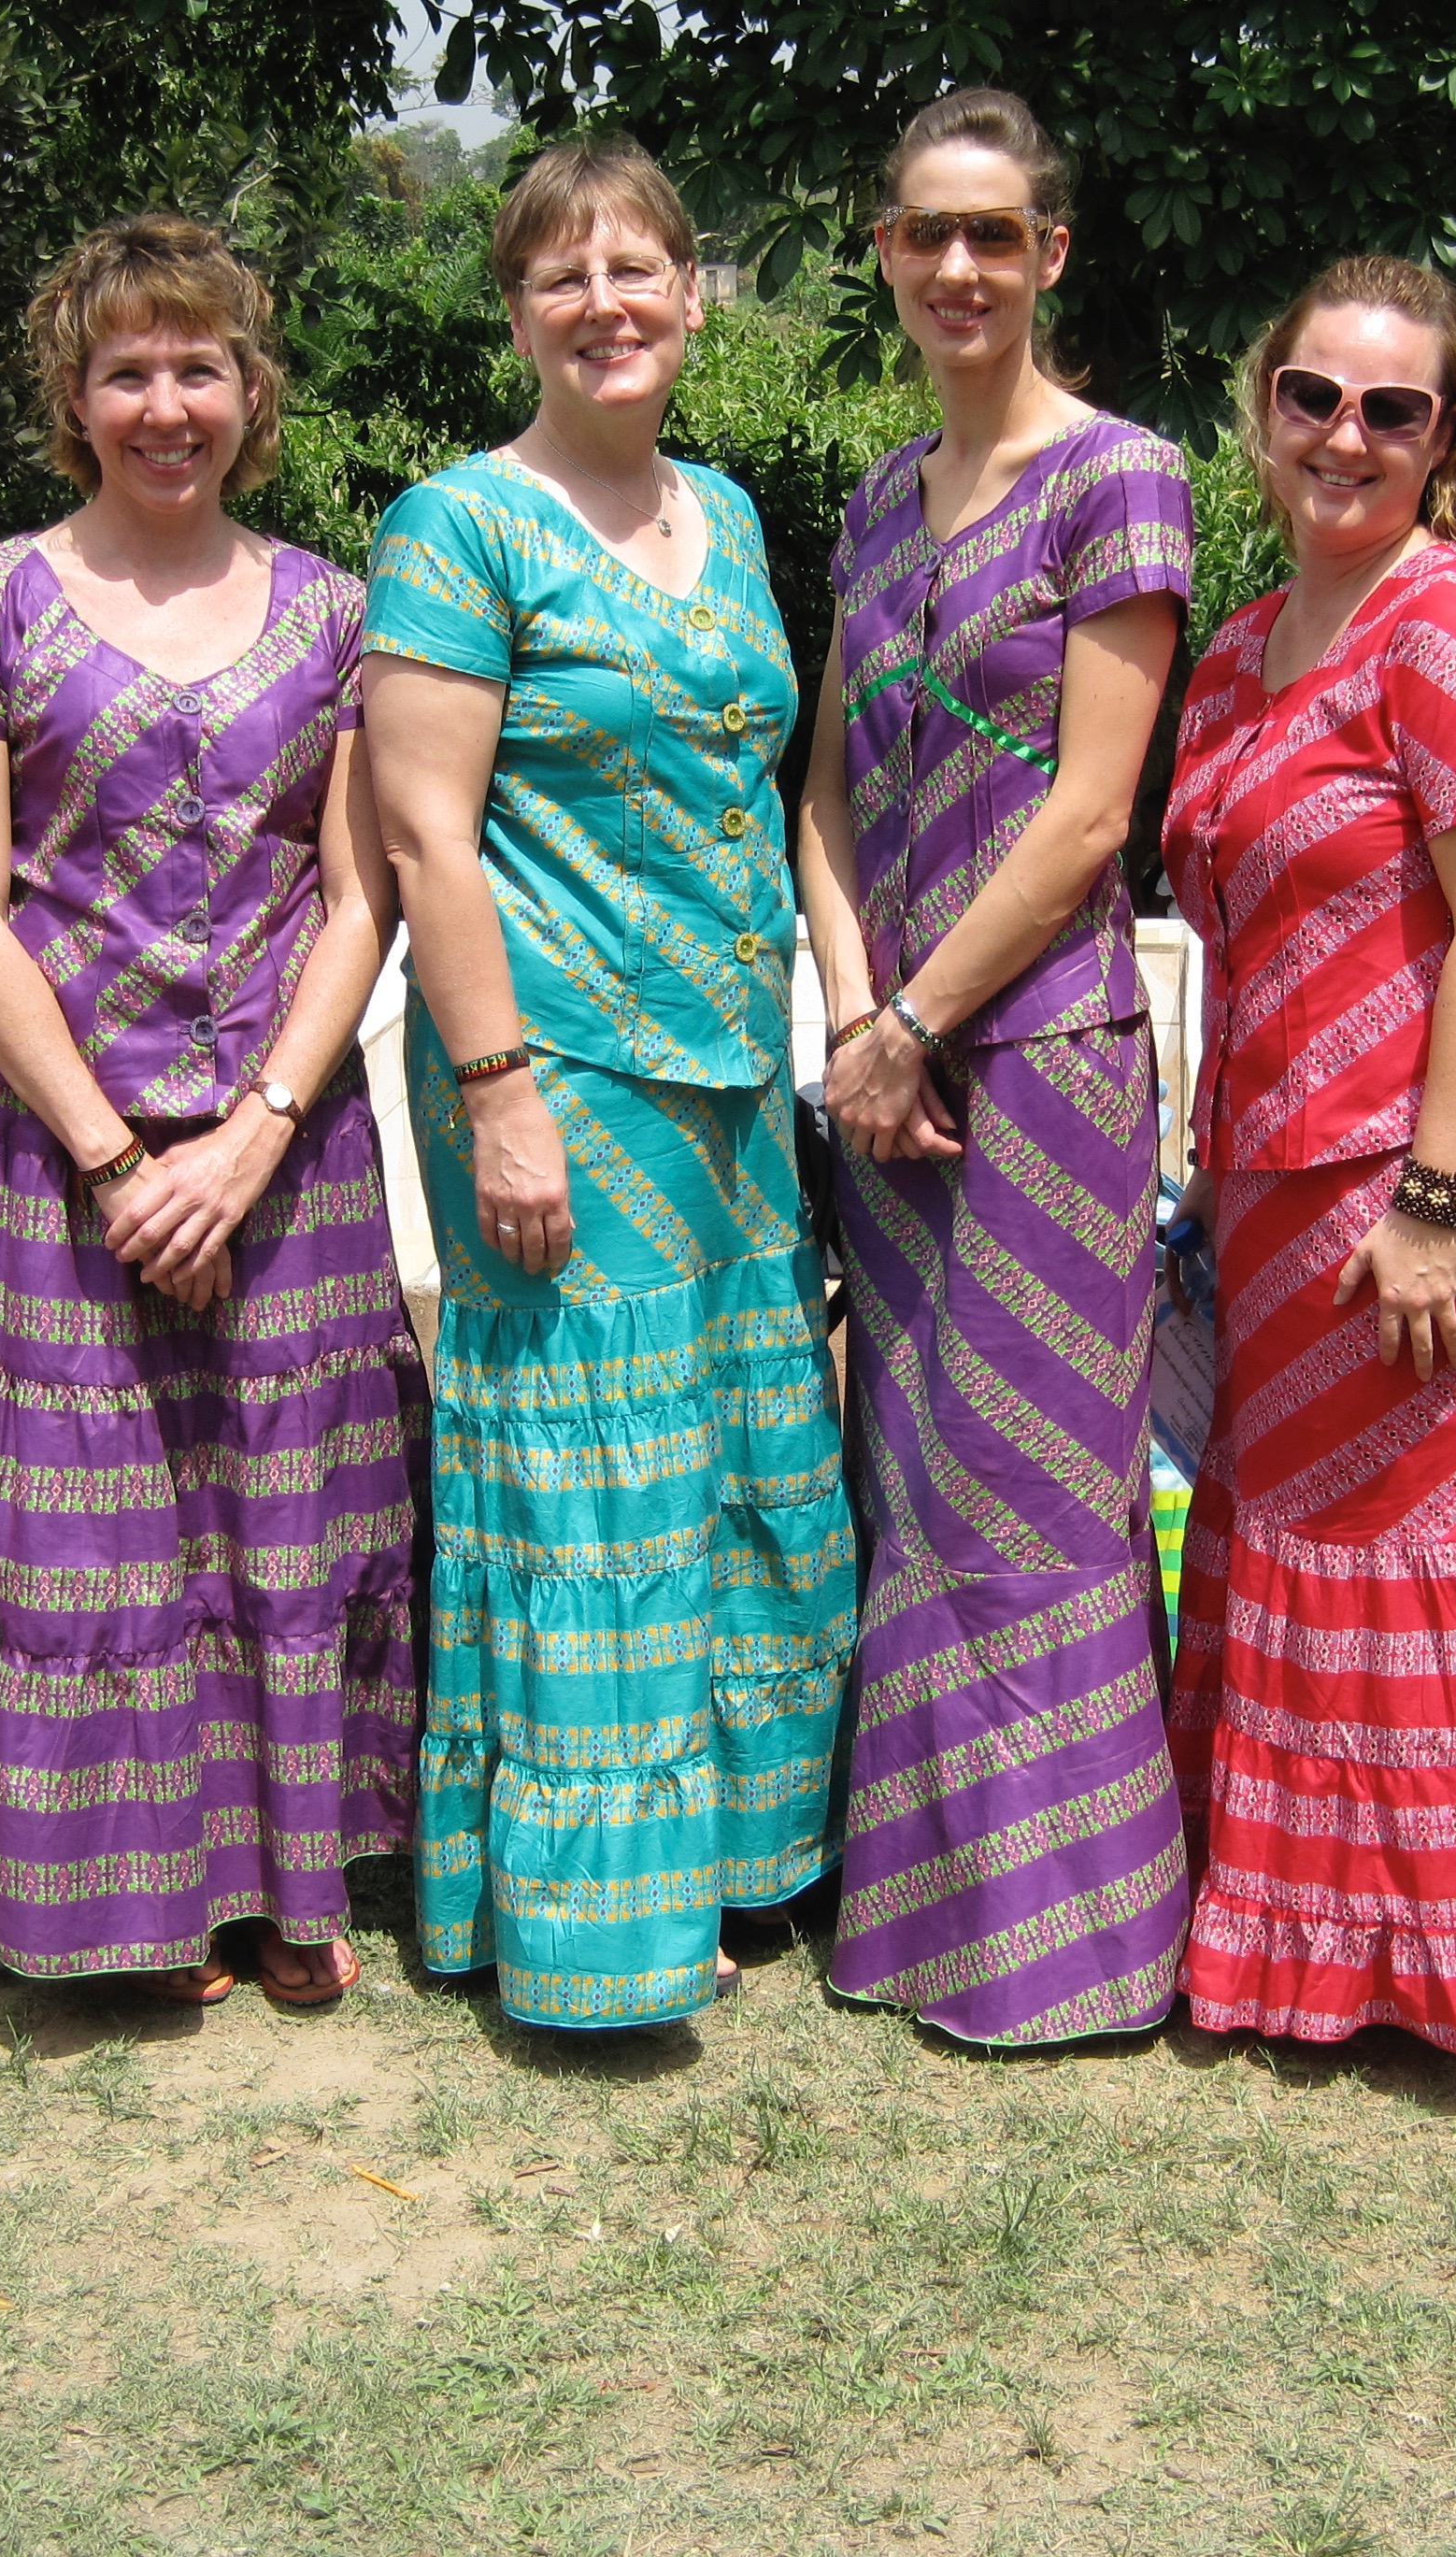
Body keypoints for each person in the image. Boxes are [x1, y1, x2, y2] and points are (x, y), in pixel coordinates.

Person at [0, 214, 429, 2002]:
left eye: (200, 366)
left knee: (285, 1507)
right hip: (57, 1163)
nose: (165, 403)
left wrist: (256, 1132)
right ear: (73, 396)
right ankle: (133, 1903)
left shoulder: (340, 613)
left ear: (250, 393)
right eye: (128, 369)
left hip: (293, 1152)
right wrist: (118, 1160)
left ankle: (292, 1889)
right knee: (101, 1518)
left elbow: (363, 899)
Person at [364, 136, 855, 2031]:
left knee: (731, 1469)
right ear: (516, 314)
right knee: (593, 1485)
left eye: (640, 267)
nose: (607, 303)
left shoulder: (726, 514)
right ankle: (593, 1916)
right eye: (563, 275)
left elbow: (759, 781)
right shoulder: (457, 527)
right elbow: (426, 826)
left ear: (695, 295)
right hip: (557, 1064)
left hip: (729, 1077)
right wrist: (496, 1094)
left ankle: (736, 1858)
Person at [795, 89, 1193, 2048]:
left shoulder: (1122, 478)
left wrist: (914, 1023)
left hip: (1037, 1066)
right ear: (884, 253)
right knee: (918, 1482)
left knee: (1039, 1491)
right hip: (894, 1074)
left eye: (998, 233)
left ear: (1051, 254)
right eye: (924, 233)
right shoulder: (873, 499)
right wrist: (859, 1018)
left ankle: (1073, 1954)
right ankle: (920, 1915)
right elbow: (826, 787)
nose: (960, 267)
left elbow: (1095, 813)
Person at [1158, 257, 1456, 2054]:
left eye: (1392, 409)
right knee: (1281, 1533)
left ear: (1444, 433)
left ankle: (1406, 1959)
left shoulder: (1452, 622)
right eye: (1314, 396)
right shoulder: (1246, 642)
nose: (1346, 436)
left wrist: (1432, 1205)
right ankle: (1277, 1934)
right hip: (1265, 1178)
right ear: (1263, 407)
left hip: (1414, 1176)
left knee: (1396, 1546)